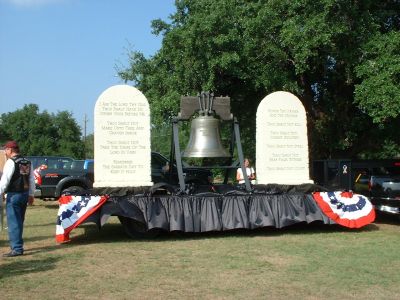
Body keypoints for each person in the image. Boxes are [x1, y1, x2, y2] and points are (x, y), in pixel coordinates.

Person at [0, 141, 35, 257]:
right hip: (24, 195)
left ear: (10, 150)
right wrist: (31, 195)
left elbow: (5, 181)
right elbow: (30, 180)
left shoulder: (11, 162)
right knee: (19, 222)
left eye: (6, 149)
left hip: (14, 195)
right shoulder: (26, 162)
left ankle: (16, 249)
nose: (5, 152)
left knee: (14, 223)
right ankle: (17, 246)